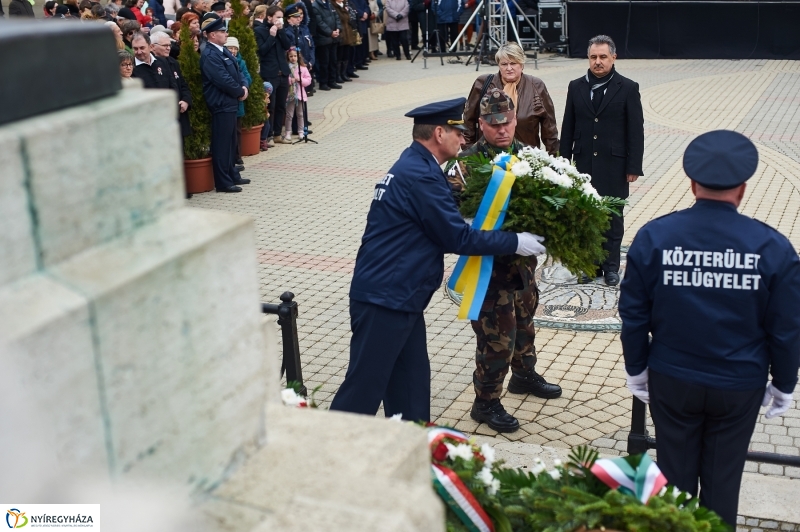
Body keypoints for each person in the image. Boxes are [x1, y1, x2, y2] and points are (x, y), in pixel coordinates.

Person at [619, 130, 800, 527]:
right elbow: (786, 329)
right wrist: (784, 383)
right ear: (743, 189)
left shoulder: (654, 236)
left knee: (675, 484)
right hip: (738, 384)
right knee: (722, 483)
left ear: (692, 184)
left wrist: (637, 368)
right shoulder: (773, 247)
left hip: (672, 377)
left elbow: (633, 314)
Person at [329, 98, 546, 422]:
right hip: (385, 299)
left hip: (400, 297)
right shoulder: (422, 175)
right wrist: (516, 241)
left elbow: (442, 226)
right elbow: (456, 238)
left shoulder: (417, 166)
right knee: (363, 389)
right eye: (458, 132)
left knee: (411, 385)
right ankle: (323, 454)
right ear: (439, 133)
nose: (464, 138)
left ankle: (413, 449)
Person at [447, 89, 561, 433]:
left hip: (523, 267)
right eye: (493, 124)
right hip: (487, 271)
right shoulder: (463, 164)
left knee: (525, 324)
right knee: (498, 338)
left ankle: (524, 376)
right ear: (481, 124)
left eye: (507, 122)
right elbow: (448, 214)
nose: (501, 130)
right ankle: (485, 402)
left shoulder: (530, 157)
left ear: (515, 121)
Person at [559, 34, 644, 287]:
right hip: (583, 166)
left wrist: (633, 166)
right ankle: (589, 266)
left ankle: (610, 268)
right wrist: (563, 164)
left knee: (611, 219)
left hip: (614, 166)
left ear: (613, 58)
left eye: (603, 57)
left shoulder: (628, 88)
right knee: (586, 218)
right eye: (593, 57)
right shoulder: (576, 87)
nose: (598, 62)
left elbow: (635, 130)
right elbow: (568, 127)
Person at [464, 43, 558, 154]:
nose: (509, 68)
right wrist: (469, 154)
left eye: (513, 63)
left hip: (525, 158)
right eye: (504, 64)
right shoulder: (483, 84)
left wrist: (554, 160)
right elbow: (468, 122)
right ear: (498, 65)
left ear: (522, 64)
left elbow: (550, 129)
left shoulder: (536, 85)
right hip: (488, 157)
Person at [199, 12, 251, 192]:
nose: (226, 33)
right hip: (221, 103)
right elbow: (222, 79)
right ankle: (223, 182)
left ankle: (232, 175)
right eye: (222, 31)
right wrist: (239, 92)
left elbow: (238, 71)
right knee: (222, 144)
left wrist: (244, 86)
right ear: (212, 35)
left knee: (231, 142)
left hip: (231, 102)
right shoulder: (210, 54)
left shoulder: (224, 50)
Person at [254, 5, 292, 145]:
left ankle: (277, 133)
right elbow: (261, 51)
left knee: (282, 104)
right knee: (272, 105)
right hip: (270, 73)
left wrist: (280, 32)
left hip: (283, 72)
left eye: (281, 17)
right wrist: (271, 35)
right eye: (277, 17)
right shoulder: (259, 30)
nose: (280, 20)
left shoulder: (282, 29)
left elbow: (287, 45)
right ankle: (268, 135)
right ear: (269, 17)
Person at [152, 30, 193, 140]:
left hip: (179, 114)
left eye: (169, 45)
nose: (168, 48)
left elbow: (183, 84)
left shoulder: (173, 62)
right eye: (165, 45)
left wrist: (186, 100)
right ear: (153, 47)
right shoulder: (150, 64)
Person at [224, 35, 252, 162]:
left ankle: (238, 155)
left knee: (238, 130)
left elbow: (247, 77)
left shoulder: (241, 62)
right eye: (230, 48)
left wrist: (244, 87)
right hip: (229, 99)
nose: (233, 51)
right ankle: (231, 156)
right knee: (229, 131)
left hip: (239, 100)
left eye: (235, 49)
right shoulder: (223, 60)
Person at [312, 0, 342, 92]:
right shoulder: (315, 6)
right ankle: (323, 83)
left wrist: (338, 29)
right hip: (323, 39)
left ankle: (332, 81)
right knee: (324, 62)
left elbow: (337, 17)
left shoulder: (329, 4)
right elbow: (319, 23)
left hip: (333, 38)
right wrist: (330, 32)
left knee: (333, 60)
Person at [282, 47, 311, 142]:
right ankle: (288, 132)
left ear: (298, 57)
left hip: (299, 94)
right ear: (288, 57)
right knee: (289, 114)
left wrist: (300, 79)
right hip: (290, 94)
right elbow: (284, 79)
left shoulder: (302, 68)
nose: (293, 58)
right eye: (291, 56)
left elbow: (308, 80)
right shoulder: (286, 68)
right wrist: (290, 80)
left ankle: (301, 131)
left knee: (300, 114)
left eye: (295, 56)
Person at [332, 0, 357, 83]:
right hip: (341, 33)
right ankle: (338, 75)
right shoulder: (334, 6)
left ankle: (344, 74)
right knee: (339, 55)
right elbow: (341, 18)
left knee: (346, 55)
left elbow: (350, 17)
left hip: (347, 33)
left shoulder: (345, 5)